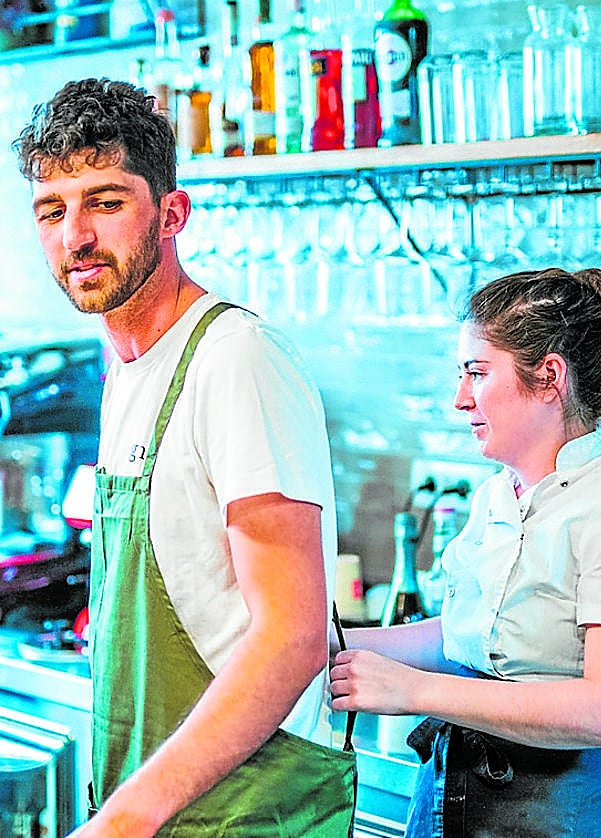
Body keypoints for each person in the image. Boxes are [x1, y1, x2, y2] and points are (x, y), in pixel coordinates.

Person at [14, 77, 356, 837]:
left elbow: (291, 636)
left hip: (249, 812)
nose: (75, 236)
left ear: (171, 214)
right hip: (166, 805)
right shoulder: (129, 369)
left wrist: (126, 817)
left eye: (105, 202)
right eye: (52, 210)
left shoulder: (236, 359)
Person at [330, 267, 601, 838]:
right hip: (451, 801)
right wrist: (328, 643)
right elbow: (462, 638)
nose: (460, 398)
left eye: (476, 373)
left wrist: (414, 690)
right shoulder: (498, 495)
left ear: (550, 376)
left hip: (569, 817)